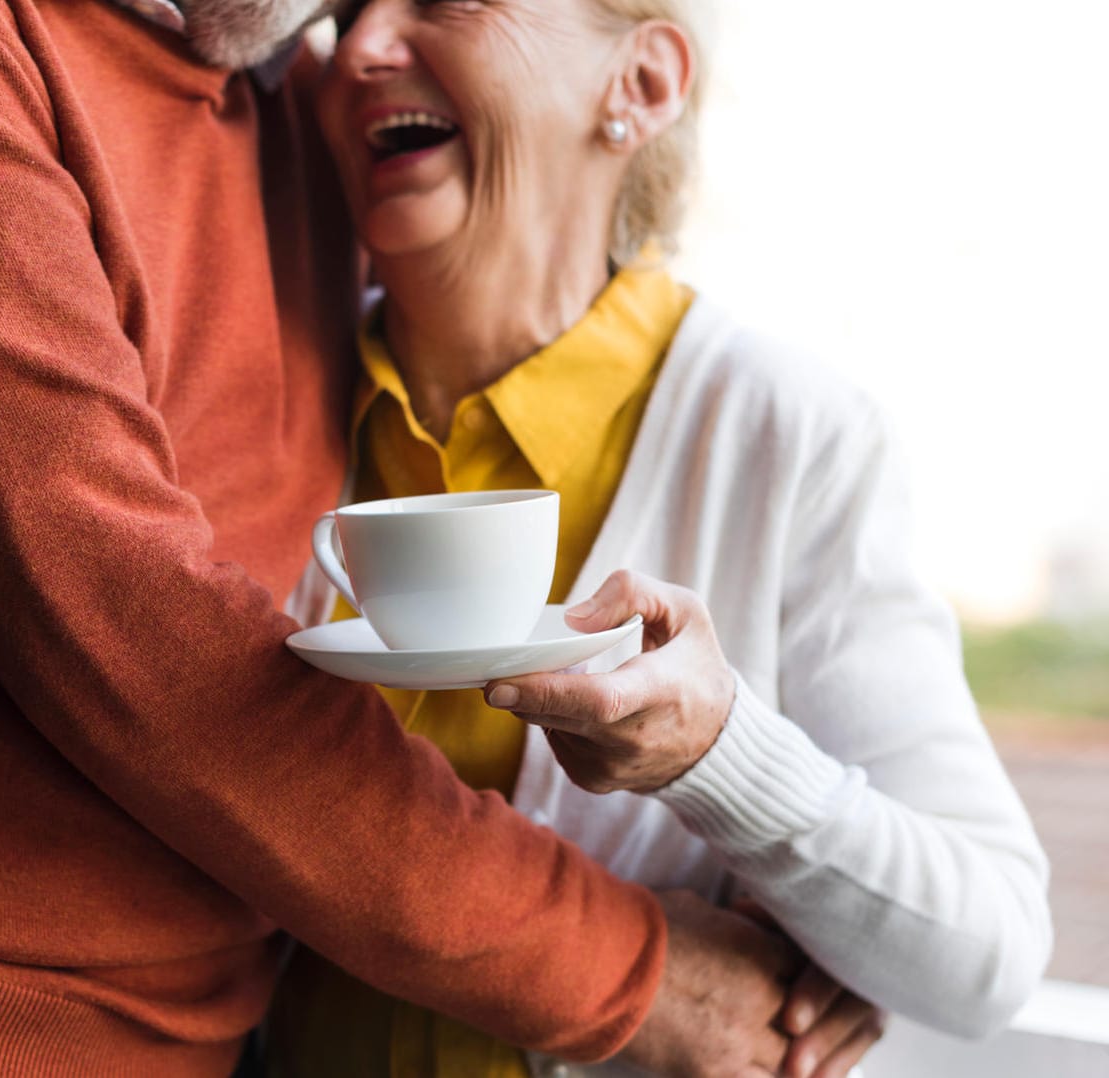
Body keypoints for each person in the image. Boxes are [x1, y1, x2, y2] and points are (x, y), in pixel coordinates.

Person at [0, 0, 815, 1075]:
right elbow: (150, 648)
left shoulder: (281, 90)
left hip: (212, 1031)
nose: (369, 33)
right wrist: (630, 972)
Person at [266, 0, 1052, 1074]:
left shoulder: (786, 435)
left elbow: (988, 953)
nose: (357, 48)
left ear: (638, 84)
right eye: (346, 9)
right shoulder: (265, 396)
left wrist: (723, 756)